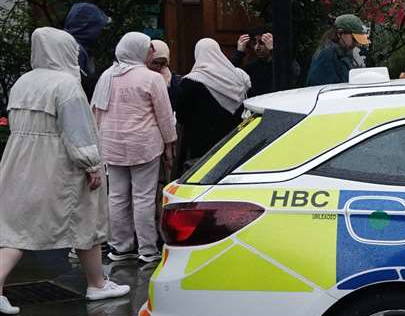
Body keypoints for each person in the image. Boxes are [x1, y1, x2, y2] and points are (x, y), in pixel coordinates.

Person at [0, 28, 131, 315]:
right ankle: (96, 284)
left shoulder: (23, 82)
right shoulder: (66, 85)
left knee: (16, 226)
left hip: (18, 162)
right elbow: (78, 131)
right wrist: (92, 165)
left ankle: (97, 282)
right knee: (86, 220)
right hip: (60, 165)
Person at [91, 32, 178, 264]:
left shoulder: (106, 76)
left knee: (117, 196)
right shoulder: (152, 78)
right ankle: (147, 249)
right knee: (144, 197)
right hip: (144, 144)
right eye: (148, 47)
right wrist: (170, 143)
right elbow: (165, 116)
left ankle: (120, 247)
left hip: (111, 145)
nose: (151, 51)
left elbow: (96, 111)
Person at [174, 37, 251, 165]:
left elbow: (182, 115)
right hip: (232, 138)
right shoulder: (239, 77)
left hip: (200, 142)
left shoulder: (190, 81)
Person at [307, 14, 370, 86]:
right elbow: (322, 89)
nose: (357, 44)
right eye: (354, 39)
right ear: (339, 33)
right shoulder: (327, 56)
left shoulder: (341, 53)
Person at [63, 1, 110, 97]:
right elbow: (79, 87)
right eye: (99, 27)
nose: (100, 32)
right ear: (88, 27)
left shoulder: (68, 44)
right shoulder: (74, 50)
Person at [232, 31, 287, 95]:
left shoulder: (287, 66)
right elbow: (230, 76)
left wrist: (274, 50)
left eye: (262, 43)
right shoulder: (252, 67)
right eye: (255, 43)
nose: (256, 48)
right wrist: (239, 52)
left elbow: (285, 73)